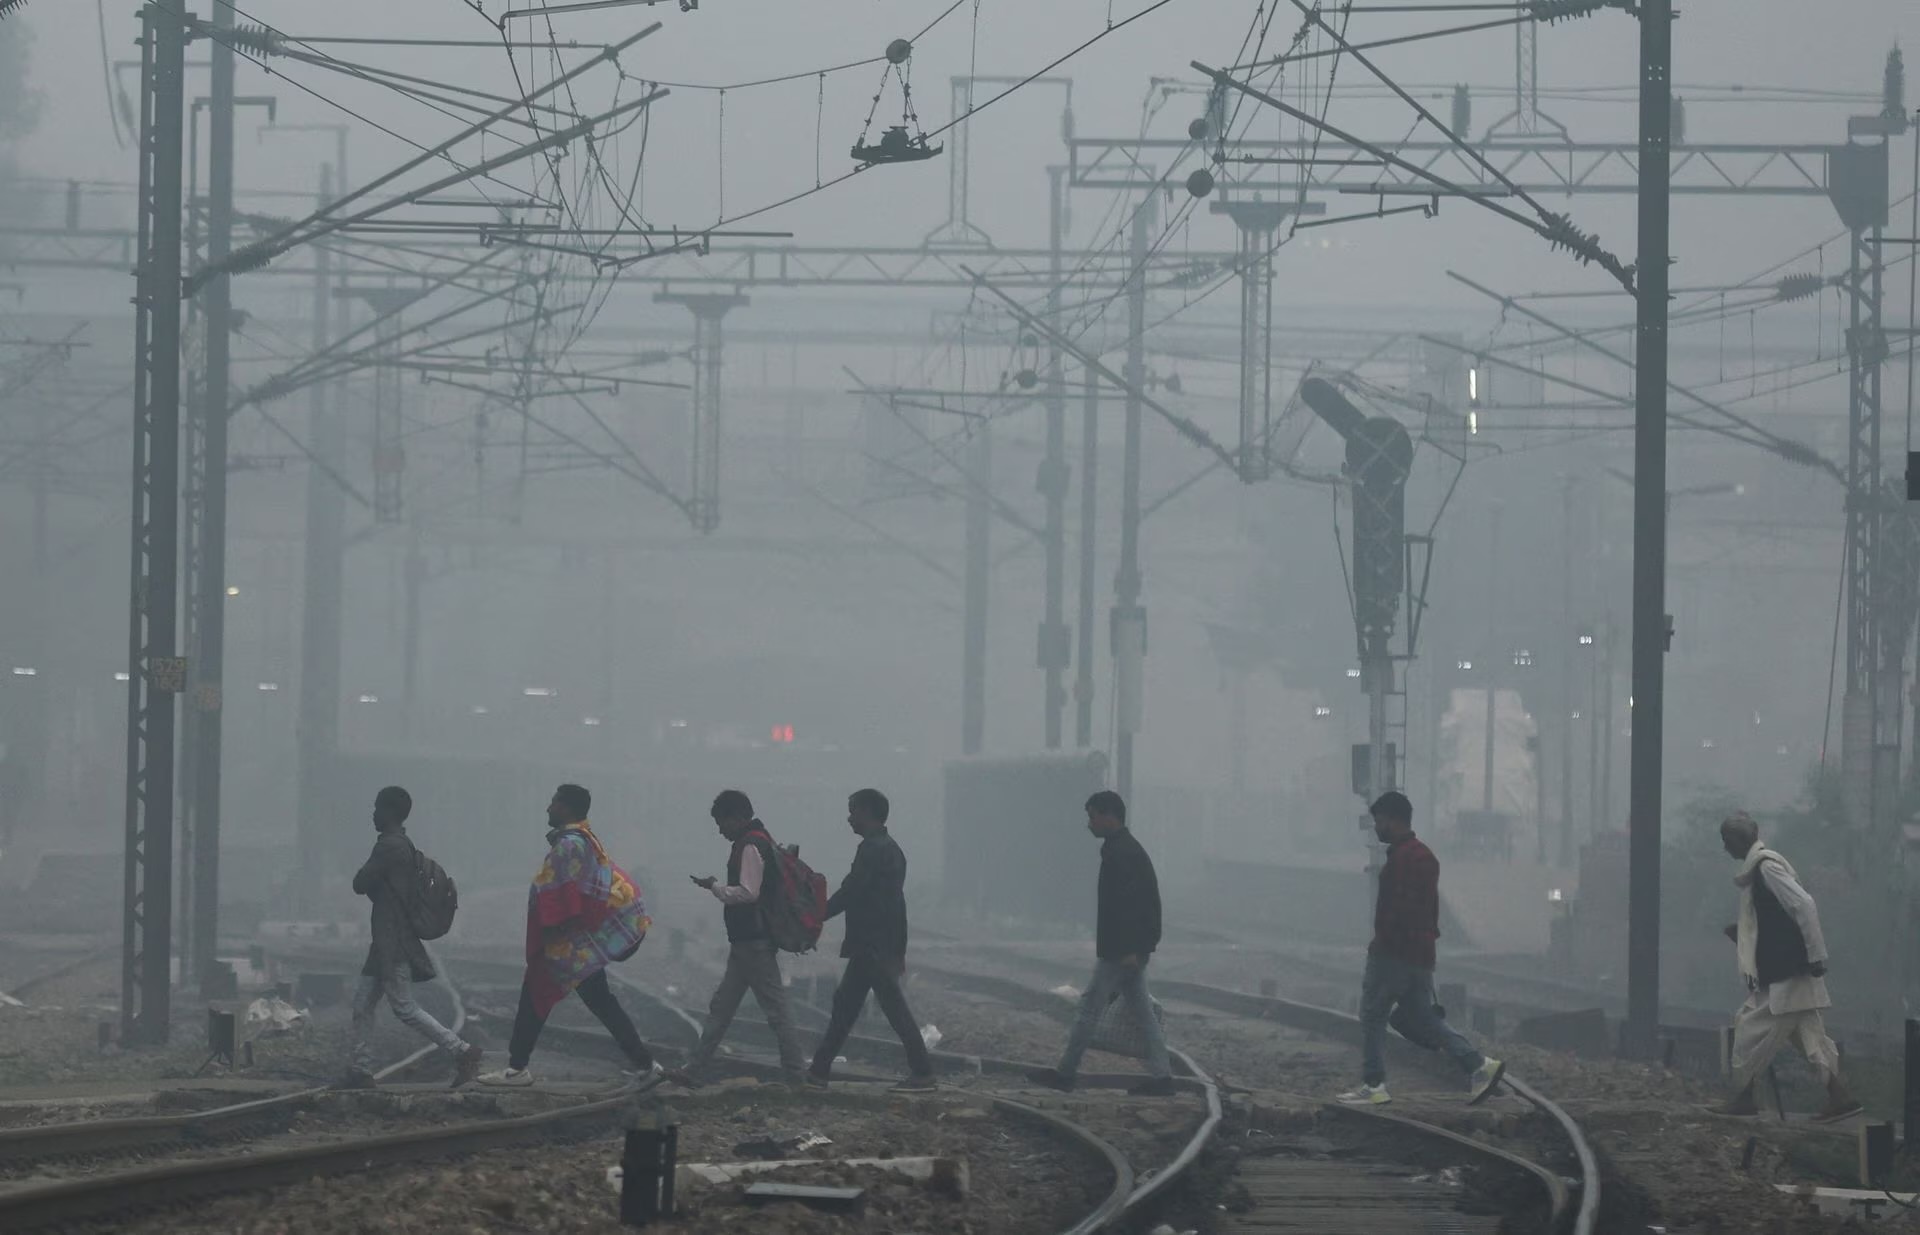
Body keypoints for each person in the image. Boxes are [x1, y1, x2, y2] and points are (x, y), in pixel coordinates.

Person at [478, 784, 658, 1088]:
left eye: (553, 803)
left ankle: (517, 1069)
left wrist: (551, 935)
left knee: (536, 997)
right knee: (599, 1002)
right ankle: (645, 1065)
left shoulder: (569, 845)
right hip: (577, 944)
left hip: (568, 944)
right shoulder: (584, 839)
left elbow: (564, 896)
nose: (548, 808)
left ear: (567, 808)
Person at [1339, 791, 1504, 1107]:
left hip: (1392, 955)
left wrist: (1384, 945)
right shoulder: (1424, 856)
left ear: (1392, 819)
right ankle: (1479, 1065)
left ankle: (1373, 1085)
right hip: (1421, 955)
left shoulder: (1403, 860)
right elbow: (1425, 911)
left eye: (1380, 821)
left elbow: (1398, 911)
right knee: (1425, 1018)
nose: (1377, 827)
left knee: (1372, 1015)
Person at [1026, 791, 1175, 1097]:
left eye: (1092, 816)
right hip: (1125, 949)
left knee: (1088, 1010)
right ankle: (1163, 1077)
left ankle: (1065, 1074)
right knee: (1143, 1014)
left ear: (1110, 816)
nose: (1089, 823)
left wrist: (1135, 949)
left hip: (1121, 952)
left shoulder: (1124, 854)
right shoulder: (1120, 850)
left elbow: (1138, 905)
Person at [1716, 811, 1861, 1121]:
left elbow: (1804, 905)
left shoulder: (1766, 868)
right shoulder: (1758, 873)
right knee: (1811, 1039)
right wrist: (1742, 933)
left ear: (1740, 840)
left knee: (1746, 1028)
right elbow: (1773, 920)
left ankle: (1743, 1097)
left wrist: (1816, 956)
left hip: (1788, 974)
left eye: (1726, 841)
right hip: (1789, 972)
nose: (1725, 848)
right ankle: (1840, 1096)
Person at [344, 786, 483, 1088]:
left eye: (378, 808)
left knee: (404, 1007)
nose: (373, 814)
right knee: (362, 1004)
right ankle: (360, 1071)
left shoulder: (390, 846)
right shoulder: (402, 845)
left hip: (393, 942)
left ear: (390, 813)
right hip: (384, 942)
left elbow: (359, 882)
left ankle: (462, 1051)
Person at [668, 789, 806, 1085]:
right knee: (721, 1008)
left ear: (739, 817)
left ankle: (796, 1075)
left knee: (776, 1011)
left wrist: (715, 887)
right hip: (745, 944)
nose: (720, 830)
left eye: (722, 822)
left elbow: (748, 892)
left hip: (754, 943)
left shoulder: (750, 845)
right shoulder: (757, 840)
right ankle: (694, 1070)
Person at [806, 789, 936, 1092]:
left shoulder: (872, 850)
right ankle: (819, 1071)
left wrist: (816, 915)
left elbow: (852, 891)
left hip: (872, 943)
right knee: (846, 1004)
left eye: (853, 811)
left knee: (888, 1006)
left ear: (868, 812)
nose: (849, 818)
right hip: (879, 942)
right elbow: (894, 903)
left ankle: (923, 1072)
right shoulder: (890, 848)